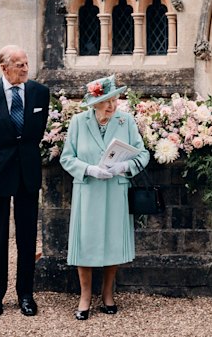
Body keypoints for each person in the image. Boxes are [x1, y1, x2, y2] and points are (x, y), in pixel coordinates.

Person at [0, 45, 50, 317]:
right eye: (19, 65)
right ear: (4, 68)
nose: (25, 69)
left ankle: (26, 295)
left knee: (27, 237)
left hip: (28, 172)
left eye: (26, 63)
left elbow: (37, 132)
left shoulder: (40, 93)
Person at [60, 74, 150, 319]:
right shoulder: (79, 122)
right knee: (85, 242)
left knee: (113, 241)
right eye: (106, 101)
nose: (112, 105)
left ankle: (107, 294)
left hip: (115, 189)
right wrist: (89, 169)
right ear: (94, 103)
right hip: (88, 189)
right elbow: (67, 158)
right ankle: (85, 297)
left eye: (115, 99)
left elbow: (142, 155)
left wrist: (124, 166)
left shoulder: (125, 121)